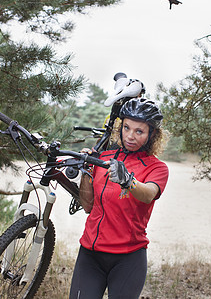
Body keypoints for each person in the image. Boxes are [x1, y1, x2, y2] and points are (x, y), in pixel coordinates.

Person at [69, 98, 169, 299]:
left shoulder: (156, 168)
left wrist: (127, 181)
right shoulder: (104, 157)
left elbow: (148, 194)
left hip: (128, 258)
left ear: (152, 135)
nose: (130, 136)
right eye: (126, 128)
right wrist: (87, 171)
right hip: (90, 254)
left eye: (139, 131)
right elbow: (88, 206)